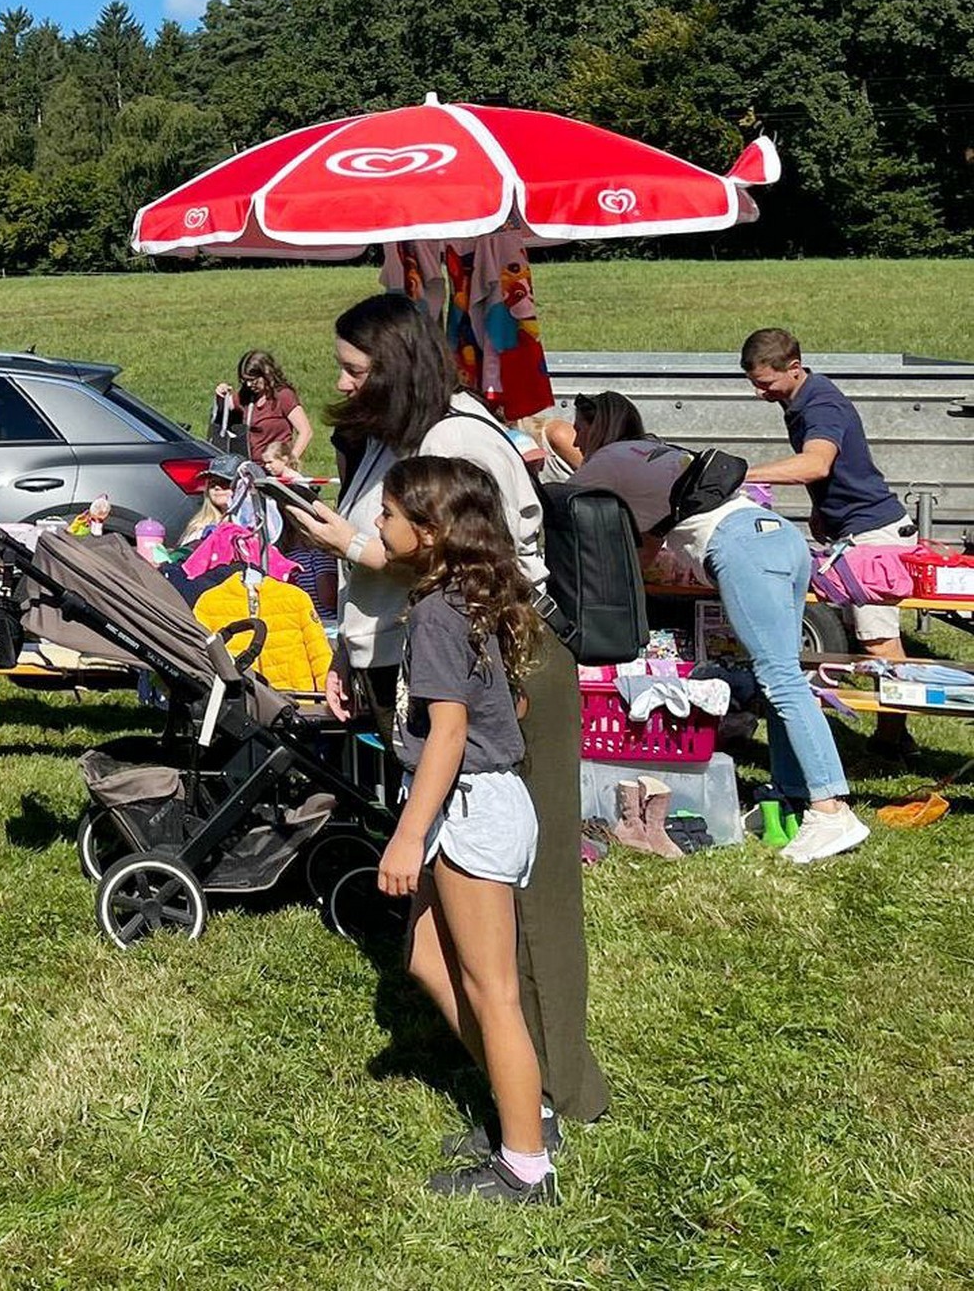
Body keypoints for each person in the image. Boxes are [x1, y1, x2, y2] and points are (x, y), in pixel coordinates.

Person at [286, 291, 608, 1132]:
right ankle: (523, 1088)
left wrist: (349, 544)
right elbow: (397, 580)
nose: (343, 385)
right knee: (450, 930)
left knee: (528, 906)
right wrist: (352, 651)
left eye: (356, 370)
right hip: (443, 672)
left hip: (503, 674)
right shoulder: (401, 438)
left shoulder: (457, 440)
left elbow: (476, 572)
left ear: (397, 365)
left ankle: (560, 1095)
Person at [374, 455, 559, 1205]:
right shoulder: (468, 599)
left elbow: (449, 735)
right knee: (426, 958)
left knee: (494, 992)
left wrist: (406, 835)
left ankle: (526, 1164)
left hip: (471, 804)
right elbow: (509, 707)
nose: (377, 524)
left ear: (429, 532)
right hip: (476, 799)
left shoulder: (438, 614)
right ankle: (523, 1111)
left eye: (389, 514)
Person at [574, 434, 869, 863]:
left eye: (579, 427)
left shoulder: (602, 465)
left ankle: (830, 810)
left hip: (742, 546)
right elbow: (650, 546)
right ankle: (788, 795)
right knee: (778, 677)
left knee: (780, 678)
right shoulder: (654, 457)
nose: (575, 437)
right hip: (779, 535)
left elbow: (561, 509)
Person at [741, 329, 919, 754]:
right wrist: (823, 509)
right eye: (754, 384)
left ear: (794, 368)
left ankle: (893, 741)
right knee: (866, 633)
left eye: (766, 383)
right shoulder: (797, 400)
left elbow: (816, 464)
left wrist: (742, 475)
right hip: (852, 530)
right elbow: (836, 471)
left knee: (878, 639)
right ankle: (895, 736)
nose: (760, 393)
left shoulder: (821, 405)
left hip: (875, 537)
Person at [216, 350, 313, 473]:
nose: (249, 384)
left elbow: (306, 432)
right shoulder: (247, 396)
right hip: (253, 470)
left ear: (266, 374)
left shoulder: (283, 396)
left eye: (253, 380)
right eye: (245, 380)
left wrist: (289, 463)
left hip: (277, 471)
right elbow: (225, 408)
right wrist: (221, 394)